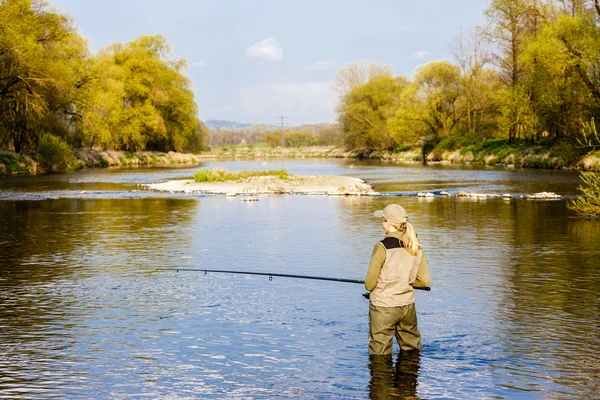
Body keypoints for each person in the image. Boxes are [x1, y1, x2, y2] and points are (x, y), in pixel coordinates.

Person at [365, 204, 430, 356]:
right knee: (412, 350)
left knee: (379, 354)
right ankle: (409, 378)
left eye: (383, 220)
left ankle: (381, 379)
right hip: (407, 307)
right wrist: (404, 282)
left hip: (383, 307)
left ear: (388, 223)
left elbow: (369, 284)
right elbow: (424, 282)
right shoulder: (415, 245)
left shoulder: (382, 246)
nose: (382, 224)